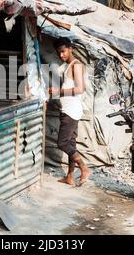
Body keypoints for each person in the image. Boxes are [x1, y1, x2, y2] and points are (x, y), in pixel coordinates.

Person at [48, 37, 91, 186]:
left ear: (70, 48)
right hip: (69, 110)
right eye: (59, 53)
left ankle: (84, 168)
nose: (61, 55)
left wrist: (58, 91)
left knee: (63, 143)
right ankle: (70, 177)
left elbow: (80, 89)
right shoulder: (67, 66)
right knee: (71, 143)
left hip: (71, 111)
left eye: (63, 51)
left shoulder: (76, 65)